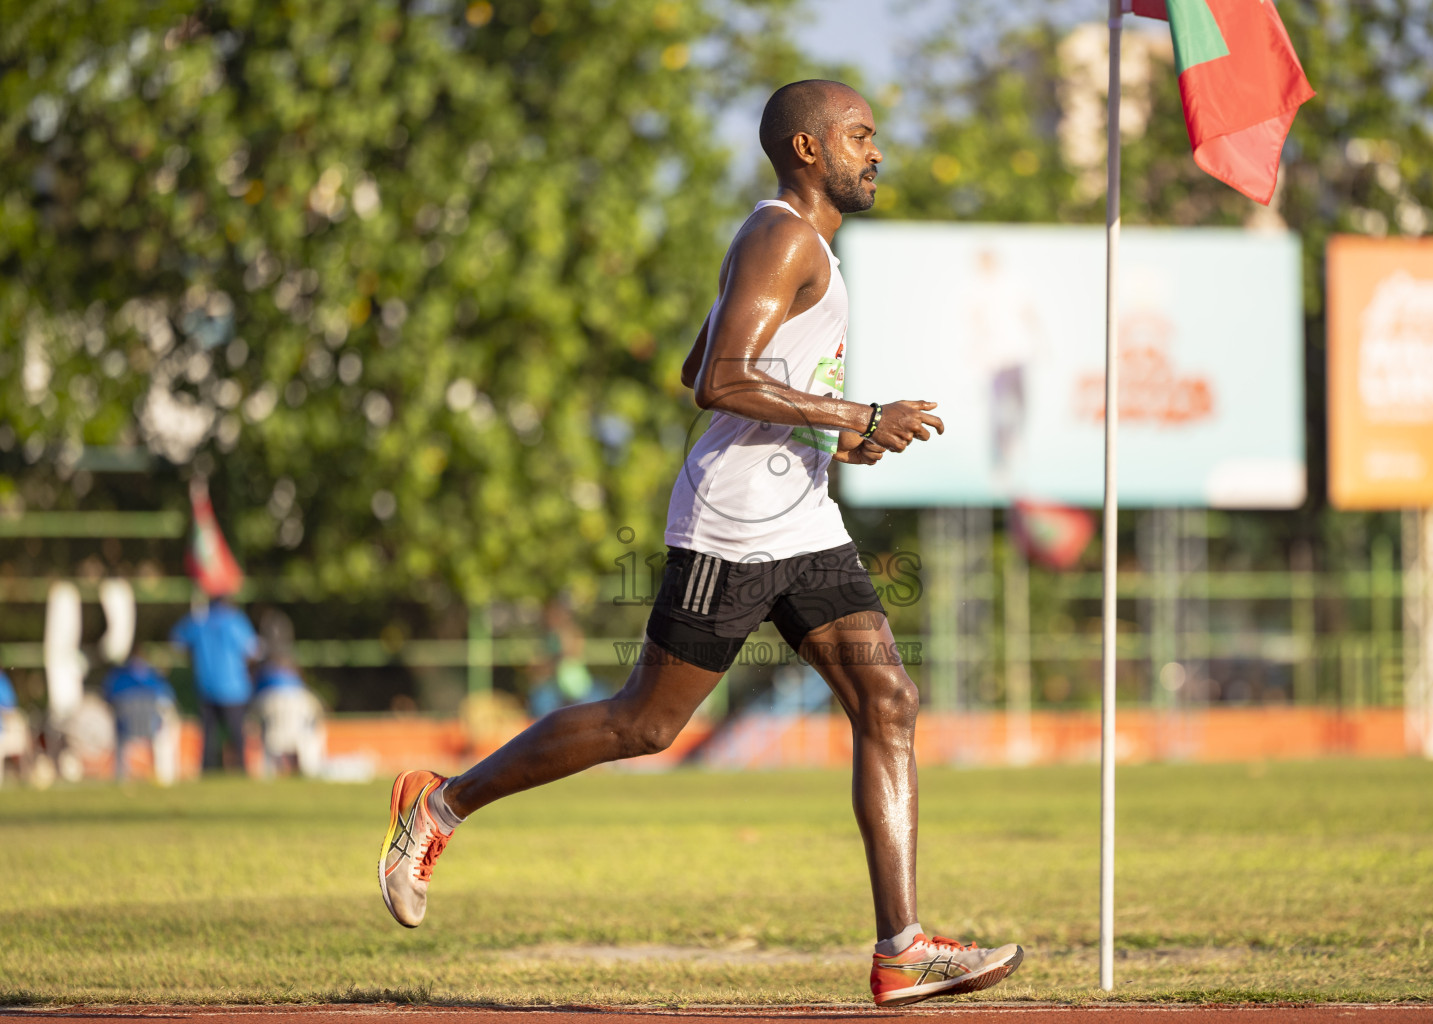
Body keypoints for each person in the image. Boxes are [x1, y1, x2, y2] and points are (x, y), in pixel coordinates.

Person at [377, 80, 1023, 1007]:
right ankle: (438, 805)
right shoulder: (783, 236)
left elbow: (701, 360)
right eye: (859, 136)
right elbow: (719, 381)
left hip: (799, 515)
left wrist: (829, 431)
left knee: (889, 699)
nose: (876, 152)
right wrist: (855, 410)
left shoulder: (795, 247)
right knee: (645, 723)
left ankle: (902, 949)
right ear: (807, 150)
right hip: (736, 524)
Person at [170, 596, 259, 774]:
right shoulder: (236, 621)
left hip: (207, 685)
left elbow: (176, 640)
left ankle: (208, 771)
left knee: (209, 735)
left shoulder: (200, 622)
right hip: (235, 688)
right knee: (237, 734)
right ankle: (241, 769)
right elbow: (253, 649)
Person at [101, 647, 179, 784]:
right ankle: (166, 776)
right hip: (151, 726)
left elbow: (108, 699)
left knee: (115, 727)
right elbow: (168, 699)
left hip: (125, 727)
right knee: (168, 727)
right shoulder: (154, 679)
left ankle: (120, 777)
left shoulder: (117, 679)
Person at [250, 653, 326, 778]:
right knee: (318, 732)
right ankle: (311, 769)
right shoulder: (304, 694)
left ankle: (271, 770)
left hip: (272, 737)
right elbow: (318, 714)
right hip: (298, 736)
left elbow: (252, 718)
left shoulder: (263, 692)